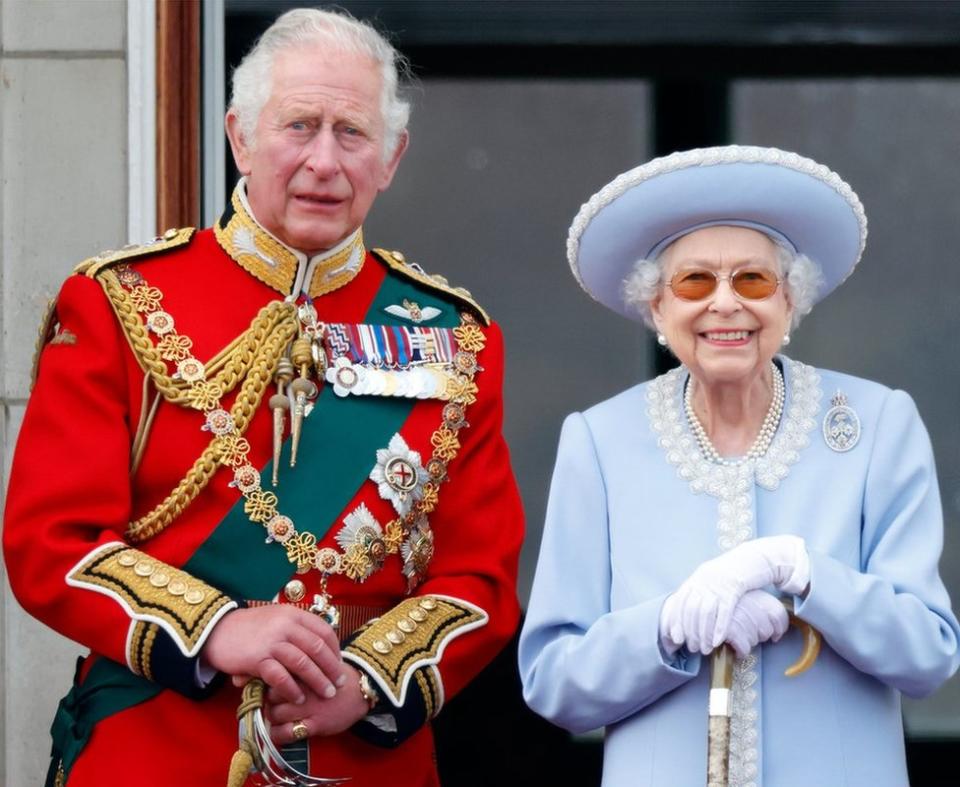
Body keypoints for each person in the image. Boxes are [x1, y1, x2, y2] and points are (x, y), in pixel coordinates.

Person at [3, 8, 523, 786]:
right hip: (156, 749)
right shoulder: (121, 301)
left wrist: (372, 681)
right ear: (239, 136)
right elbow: (51, 540)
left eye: (352, 133)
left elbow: (480, 579)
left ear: (391, 157)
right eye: (299, 125)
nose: (324, 161)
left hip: (364, 759)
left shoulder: (458, 338)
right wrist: (218, 629)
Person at [518, 145, 959, 786]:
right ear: (657, 311)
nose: (725, 304)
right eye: (695, 282)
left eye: (753, 280)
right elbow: (554, 684)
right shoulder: (599, 441)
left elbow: (927, 656)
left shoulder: (877, 424)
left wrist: (804, 573)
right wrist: (666, 626)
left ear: (790, 303)